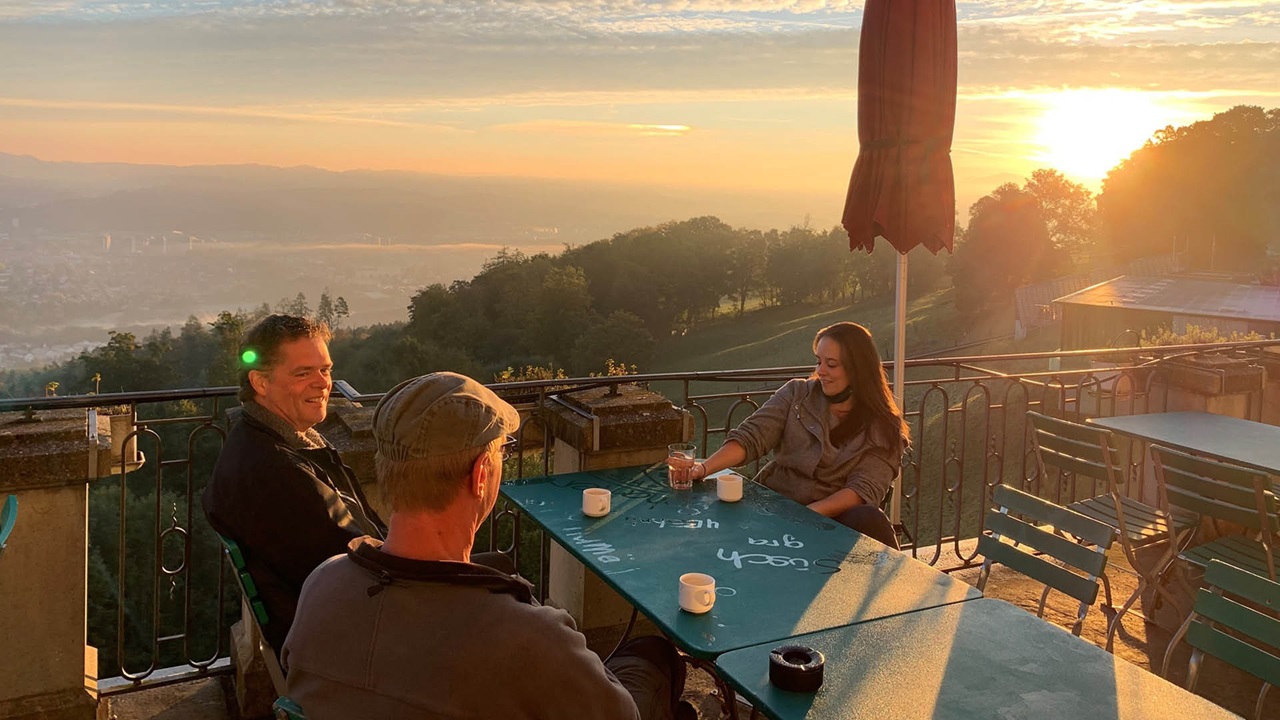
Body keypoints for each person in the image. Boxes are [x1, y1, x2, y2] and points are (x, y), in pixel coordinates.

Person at [282, 372, 691, 719]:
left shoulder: (323, 585)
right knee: (655, 657)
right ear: (481, 475)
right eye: (501, 452)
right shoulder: (528, 638)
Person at [202, 313, 386, 651]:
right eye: (303, 373)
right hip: (344, 643)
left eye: (326, 370)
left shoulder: (262, 443)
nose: (322, 383)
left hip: (327, 623)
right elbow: (363, 572)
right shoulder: (277, 472)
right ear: (261, 382)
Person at [670, 321, 909, 548]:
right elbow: (752, 437)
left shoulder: (884, 426)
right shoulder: (797, 394)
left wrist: (806, 515)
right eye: (818, 361)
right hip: (774, 503)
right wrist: (703, 469)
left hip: (832, 522)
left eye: (831, 364)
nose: (820, 371)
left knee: (869, 518)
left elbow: (862, 490)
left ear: (857, 370)